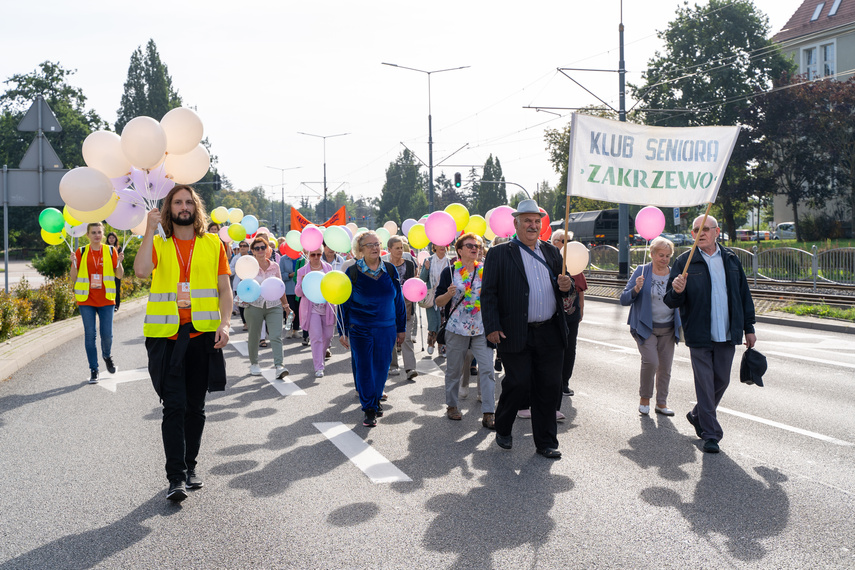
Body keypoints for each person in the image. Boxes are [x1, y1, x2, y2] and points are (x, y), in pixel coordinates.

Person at [133, 184, 232, 502]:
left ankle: (190, 468)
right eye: (178, 202)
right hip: (165, 338)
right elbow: (140, 271)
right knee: (173, 407)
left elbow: (224, 288)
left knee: (196, 407)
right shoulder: (159, 242)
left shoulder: (213, 243)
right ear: (169, 208)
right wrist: (149, 230)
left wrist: (226, 323)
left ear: (196, 207)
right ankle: (175, 477)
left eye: (189, 201)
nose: (184, 206)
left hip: (201, 335)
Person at [481, 199, 575, 459]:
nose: (533, 226)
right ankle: (503, 424)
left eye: (537, 221)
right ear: (516, 224)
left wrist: (566, 288)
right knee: (519, 382)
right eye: (527, 221)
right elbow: (488, 293)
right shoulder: (500, 253)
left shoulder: (552, 253)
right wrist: (492, 327)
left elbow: (566, 291)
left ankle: (546, 442)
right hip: (514, 331)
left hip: (551, 332)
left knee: (548, 388)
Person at [664, 214, 756, 454]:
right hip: (699, 334)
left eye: (706, 228)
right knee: (704, 385)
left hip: (727, 333)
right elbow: (670, 300)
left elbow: (743, 295)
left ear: (717, 231)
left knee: (722, 381)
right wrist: (676, 291)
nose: (700, 233)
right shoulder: (685, 262)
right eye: (696, 230)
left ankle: (697, 415)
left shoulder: (732, 259)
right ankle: (711, 434)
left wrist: (749, 327)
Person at [340, 231, 407, 427]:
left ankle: (376, 398)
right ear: (360, 249)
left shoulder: (390, 270)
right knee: (364, 367)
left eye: (377, 244)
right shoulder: (352, 272)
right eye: (369, 245)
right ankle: (369, 407)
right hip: (360, 327)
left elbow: (399, 301)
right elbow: (343, 304)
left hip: (386, 327)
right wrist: (342, 330)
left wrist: (401, 327)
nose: (375, 248)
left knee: (381, 366)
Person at [435, 233, 496, 429]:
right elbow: (438, 302)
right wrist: (448, 294)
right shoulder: (450, 271)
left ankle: (488, 412)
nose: (474, 248)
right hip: (456, 329)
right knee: (453, 370)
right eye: (469, 245)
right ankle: (452, 405)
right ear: (459, 250)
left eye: (477, 246)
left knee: (486, 369)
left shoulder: (486, 271)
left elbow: (494, 299)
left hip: (481, 329)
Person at [620, 236, 682, 416]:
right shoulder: (642, 271)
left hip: (668, 328)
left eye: (668, 256)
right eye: (661, 255)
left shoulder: (675, 273)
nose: (664, 259)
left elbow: (683, 299)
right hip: (645, 327)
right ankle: (645, 399)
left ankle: (661, 403)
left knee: (665, 368)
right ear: (652, 254)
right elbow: (624, 299)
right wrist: (636, 289)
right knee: (651, 362)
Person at [71, 222, 124, 383]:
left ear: (103, 234)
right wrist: (73, 262)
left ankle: (107, 355)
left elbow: (119, 275)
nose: (96, 235)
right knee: (90, 335)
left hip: (107, 299)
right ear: (87, 235)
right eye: (93, 232)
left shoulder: (110, 250)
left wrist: (120, 261)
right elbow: (74, 277)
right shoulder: (81, 251)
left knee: (107, 335)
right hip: (86, 299)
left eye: (99, 232)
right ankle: (94, 369)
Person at [242, 236, 291, 378]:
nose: (260, 250)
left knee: (276, 336)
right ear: (252, 251)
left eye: (263, 247)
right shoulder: (248, 267)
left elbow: (280, 286)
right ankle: (254, 363)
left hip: (274, 305)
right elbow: (244, 286)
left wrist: (286, 306)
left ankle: (279, 366)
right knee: (254, 336)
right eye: (257, 248)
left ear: (267, 249)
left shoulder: (274, 266)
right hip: (254, 305)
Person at [551, 229, 587, 398]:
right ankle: (553, 381)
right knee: (553, 348)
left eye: (569, 241)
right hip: (553, 316)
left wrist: (581, 311)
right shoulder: (550, 262)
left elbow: (580, 291)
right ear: (554, 243)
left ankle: (564, 382)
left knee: (570, 348)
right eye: (563, 241)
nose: (567, 244)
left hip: (572, 315)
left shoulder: (575, 264)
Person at [295, 248, 336, 378]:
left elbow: (334, 287)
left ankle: (321, 358)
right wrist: (302, 283)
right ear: (308, 255)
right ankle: (319, 366)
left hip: (327, 308)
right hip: (311, 309)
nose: (316, 257)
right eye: (313, 254)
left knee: (328, 336)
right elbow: (298, 293)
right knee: (316, 337)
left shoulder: (328, 268)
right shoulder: (302, 271)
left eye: (319, 254)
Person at [383, 236, 418, 380]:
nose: (400, 251)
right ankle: (393, 366)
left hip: (407, 304)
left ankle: (410, 368)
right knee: (391, 336)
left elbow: (414, 282)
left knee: (407, 337)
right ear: (389, 249)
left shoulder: (409, 264)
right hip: (389, 304)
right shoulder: (384, 264)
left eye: (401, 248)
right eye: (396, 248)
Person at [421, 244, 451, 355]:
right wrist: (426, 268)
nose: (442, 247)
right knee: (433, 322)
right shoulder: (428, 260)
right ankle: (430, 343)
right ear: (434, 246)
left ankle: (442, 347)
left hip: (445, 296)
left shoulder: (449, 261)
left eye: (444, 245)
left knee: (443, 323)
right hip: (431, 296)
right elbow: (423, 278)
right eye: (439, 245)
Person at [278, 251, 302, 338]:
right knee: (290, 310)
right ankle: (288, 329)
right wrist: (289, 275)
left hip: (299, 289)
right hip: (288, 289)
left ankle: (296, 329)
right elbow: (280, 274)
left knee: (298, 310)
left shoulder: (301, 258)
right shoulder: (284, 259)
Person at [230, 241, 250, 330]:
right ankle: (245, 323)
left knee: (250, 304)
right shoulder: (236, 258)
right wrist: (239, 267)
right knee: (241, 305)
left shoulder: (251, 257)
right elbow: (230, 270)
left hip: (250, 284)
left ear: (248, 248)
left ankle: (250, 322)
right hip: (238, 284)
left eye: (245, 246)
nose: (242, 248)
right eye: (240, 246)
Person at [104, 232, 123, 313]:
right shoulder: (105, 248)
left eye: (113, 238)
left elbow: (121, 260)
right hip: (107, 271)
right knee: (107, 288)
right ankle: (108, 303)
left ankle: (116, 305)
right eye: (110, 238)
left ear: (115, 239)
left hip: (117, 270)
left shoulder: (119, 248)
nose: (111, 239)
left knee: (116, 288)